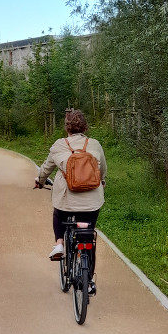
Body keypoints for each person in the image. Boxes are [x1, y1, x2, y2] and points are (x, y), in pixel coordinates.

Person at [34, 109, 106, 261]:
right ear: (85, 127)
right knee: (89, 230)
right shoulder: (95, 144)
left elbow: (46, 168)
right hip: (92, 201)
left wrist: (40, 181)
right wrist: (102, 182)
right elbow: (102, 169)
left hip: (66, 201)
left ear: (67, 127)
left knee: (58, 213)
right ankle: (89, 273)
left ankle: (59, 243)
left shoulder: (59, 145)